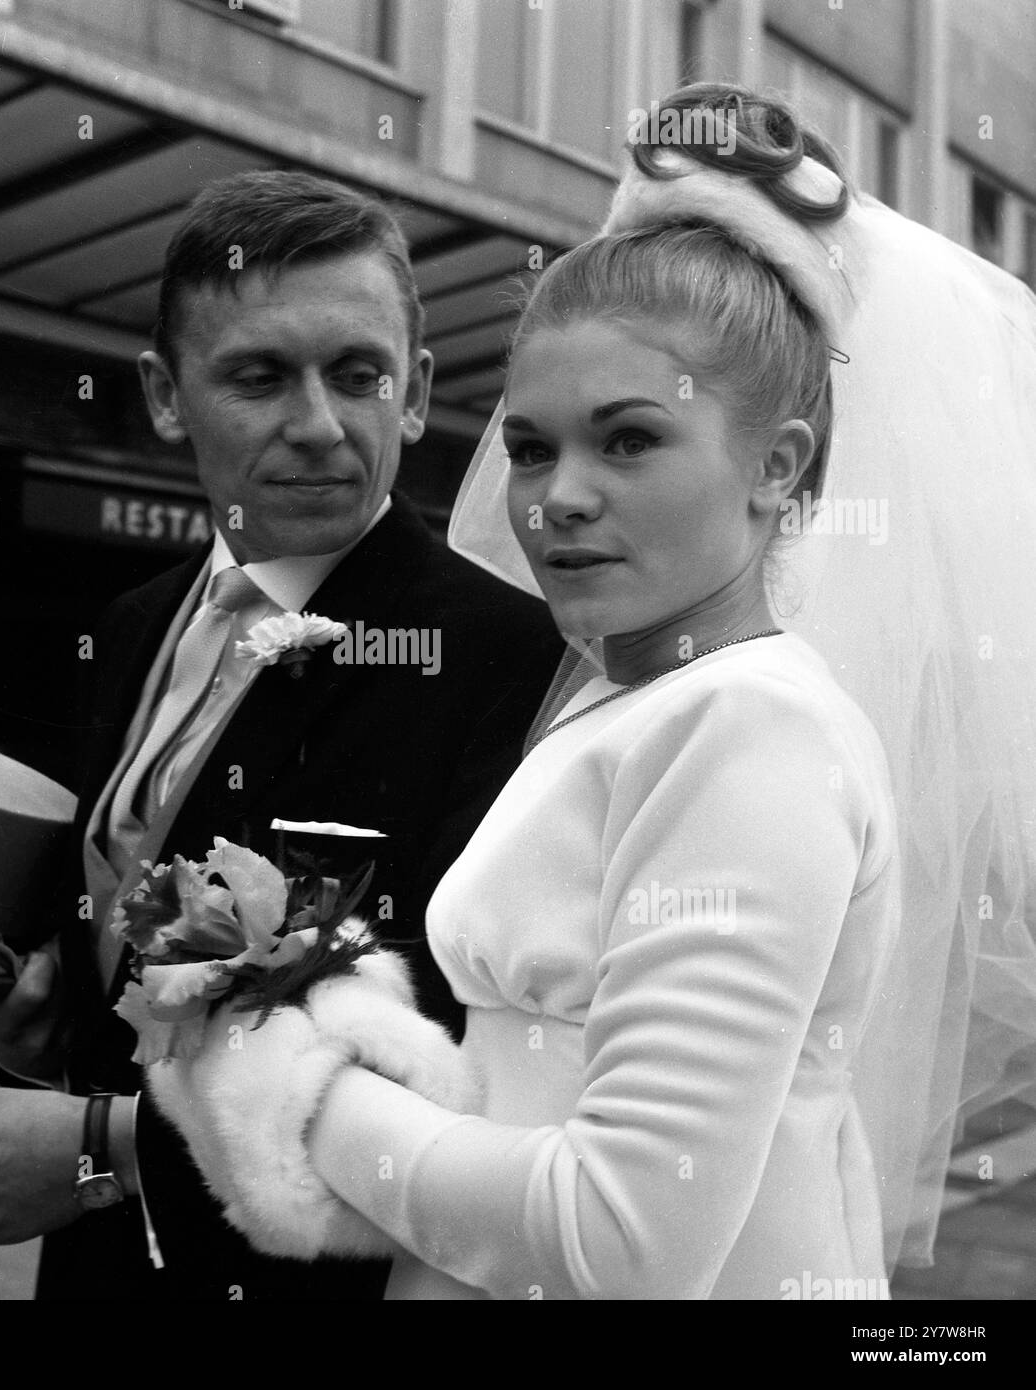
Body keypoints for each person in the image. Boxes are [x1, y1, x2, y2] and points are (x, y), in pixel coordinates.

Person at [140, 86, 1036, 1298]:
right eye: (528, 445)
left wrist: (290, 1079)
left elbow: (625, 1235)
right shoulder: (633, 699)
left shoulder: (748, 728)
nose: (555, 495)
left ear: (778, 466)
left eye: (626, 441)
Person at [0, 171, 563, 1300]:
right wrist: (34, 1019)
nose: (317, 424)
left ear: (415, 391)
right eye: (257, 375)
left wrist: (109, 1150)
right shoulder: (134, 621)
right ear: (163, 392)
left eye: (357, 374)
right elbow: (122, 934)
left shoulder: (509, 657)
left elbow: (465, 1050)